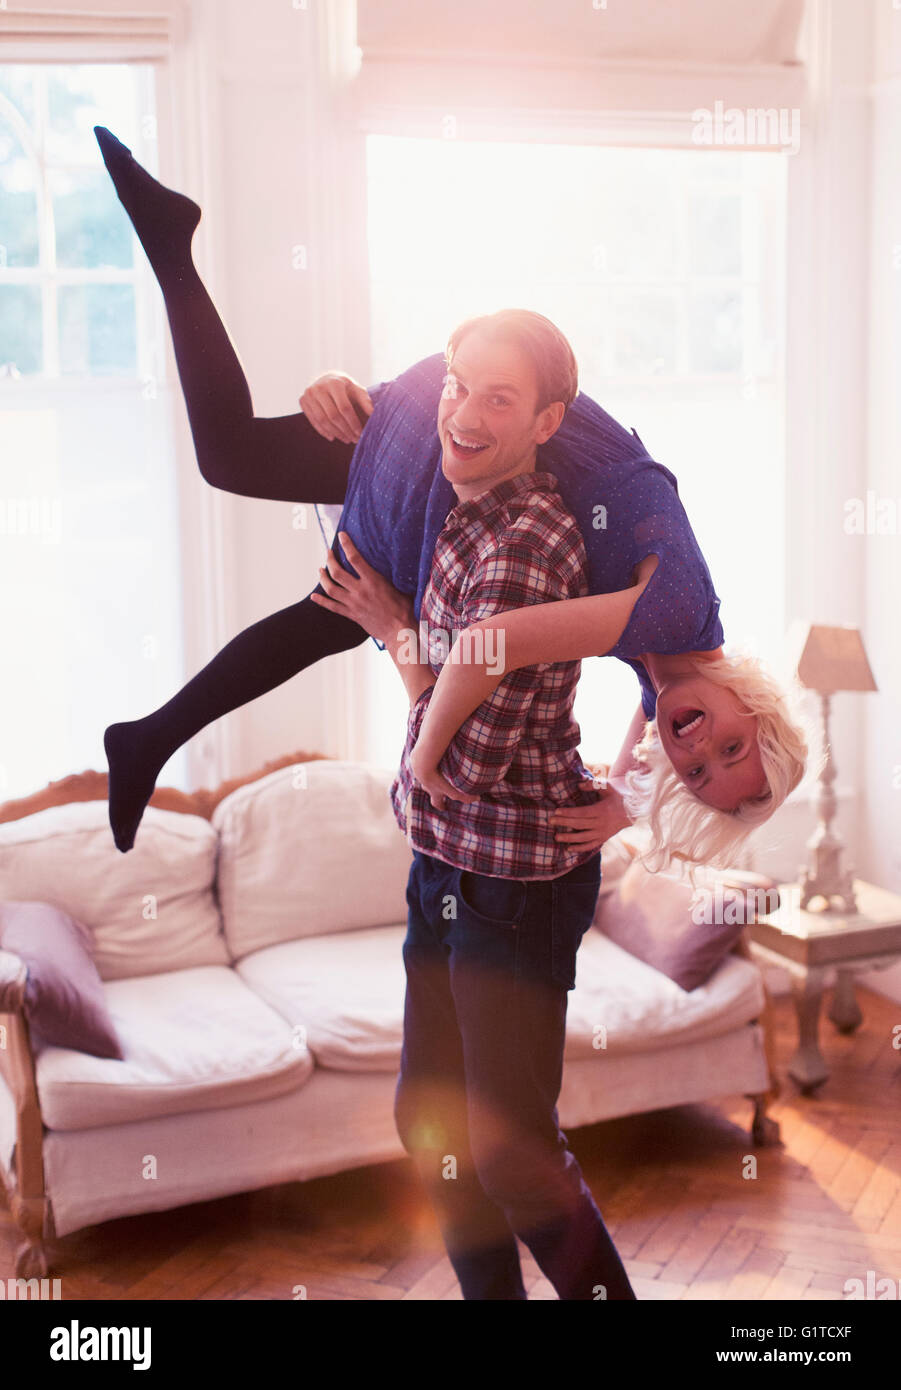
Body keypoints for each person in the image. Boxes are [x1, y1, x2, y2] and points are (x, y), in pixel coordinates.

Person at [93, 126, 806, 863]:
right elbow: (491, 644)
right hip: (485, 430)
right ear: (757, 709)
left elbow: (647, 722)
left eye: (696, 771)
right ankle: (150, 739)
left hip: (469, 424)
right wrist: (426, 754)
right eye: (730, 745)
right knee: (362, 603)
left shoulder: (675, 667)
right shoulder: (676, 611)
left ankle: (169, 244)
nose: (697, 747)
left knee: (234, 458)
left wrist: (623, 807)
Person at [312, 309, 639, 1298]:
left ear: (548, 421)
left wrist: (395, 636)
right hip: (446, 865)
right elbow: (439, 741)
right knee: (432, 1122)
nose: (461, 411)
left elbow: (461, 762)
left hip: (511, 882)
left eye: (499, 397)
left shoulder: (524, 551)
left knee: (512, 1151)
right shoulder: (456, 511)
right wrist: (337, 397)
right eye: (456, 384)